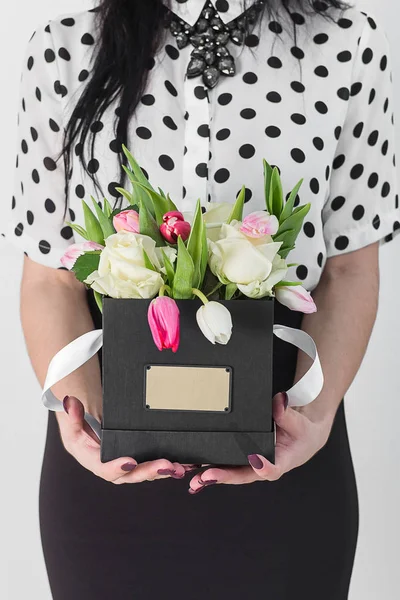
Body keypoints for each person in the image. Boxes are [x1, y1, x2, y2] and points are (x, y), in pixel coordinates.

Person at [3, 0, 399, 598]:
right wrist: (86, 422)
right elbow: (51, 279)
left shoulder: (346, 42)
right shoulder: (65, 48)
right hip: (111, 465)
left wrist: (312, 420)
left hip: (280, 452)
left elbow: (347, 270)